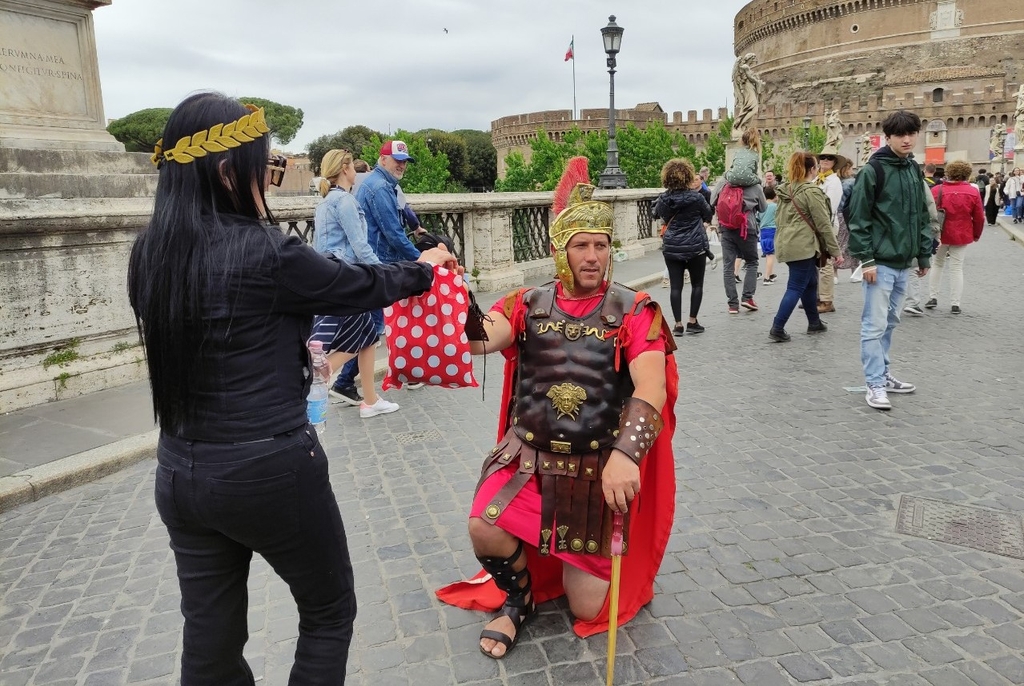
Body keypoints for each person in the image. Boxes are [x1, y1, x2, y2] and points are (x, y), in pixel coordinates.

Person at [127, 92, 458, 684]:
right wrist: (426, 269)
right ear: (229, 172)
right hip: (269, 467)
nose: (269, 178)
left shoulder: (149, 253)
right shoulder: (265, 253)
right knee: (329, 612)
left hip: (179, 469)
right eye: (264, 164)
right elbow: (357, 282)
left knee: (210, 635)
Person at [436, 156, 677, 659]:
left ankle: (565, 567)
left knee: (587, 608)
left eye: (602, 245)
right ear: (559, 251)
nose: (593, 255)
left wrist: (626, 454)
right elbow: (482, 340)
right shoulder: (525, 303)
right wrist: (451, 292)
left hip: (594, 466)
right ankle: (516, 601)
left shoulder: (636, 311)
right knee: (483, 524)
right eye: (581, 245)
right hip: (527, 453)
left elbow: (651, 386)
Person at [847, 110, 931, 411]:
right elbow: (858, 218)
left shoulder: (912, 169)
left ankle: (882, 373)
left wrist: (923, 254)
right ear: (889, 137)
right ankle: (874, 383)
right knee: (874, 324)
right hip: (880, 262)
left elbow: (921, 215)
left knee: (891, 321)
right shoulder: (873, 171)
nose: (907, 139)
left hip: (903, 261)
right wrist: (866, 260)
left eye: (911, 133)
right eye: (900, 135)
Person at [333, 140, 425, 400]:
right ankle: (341, 379)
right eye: (397, 159)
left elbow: (401, 218)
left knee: (380, 322)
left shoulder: (384, 185)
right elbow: (393, 234)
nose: (402, 164)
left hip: (380, 262)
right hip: (380, 263)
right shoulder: (379, 188)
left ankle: (346, 382)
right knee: (374, 324)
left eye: (405, 160)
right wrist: (422, 259)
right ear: (382, 159)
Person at [311, 149, 399, 418]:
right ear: (346, 169)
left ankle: (370, 401)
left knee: (369, 338)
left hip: (333, 278)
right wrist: (385, 272)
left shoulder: (325, 203)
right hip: (348, 279)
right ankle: (314, 382)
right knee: (353, 341)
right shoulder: (345, 202)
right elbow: (360, 245)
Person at [768, 152, 839, 342]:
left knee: (811, 283)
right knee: (796, 286)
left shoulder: (785, 190)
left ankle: (814, 322)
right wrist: (835, 250)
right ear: (812, 169)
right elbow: (823, 223)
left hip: (787, 242)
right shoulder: (811, 191)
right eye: (816, 166)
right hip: (803, 245)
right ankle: (777, 327)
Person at [655, 158, 713, 335]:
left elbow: (657, 215)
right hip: (695, 246)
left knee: (675, 286)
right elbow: (708, 214)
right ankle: (692, 321)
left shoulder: (663, 199)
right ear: (688, 176)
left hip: (672, 246)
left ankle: (678, 324)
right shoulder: (696, 197)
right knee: (697, 285)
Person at [926, 160, 985, 314]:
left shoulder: (937, 189)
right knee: (956, 267)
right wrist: (976, 234)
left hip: (939, 232)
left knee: (937, 264)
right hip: (962, 232)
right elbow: (979, 217)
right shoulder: (973, 192)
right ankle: (955, 303)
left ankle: (933, 297)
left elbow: (929, 212)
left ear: (949, 173)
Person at [711, 172, 768, 313]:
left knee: (728, 266)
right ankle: (747, 298)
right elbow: (763, 208)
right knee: (752, 262)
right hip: (747, 228)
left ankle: (732, 304)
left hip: (726, 228)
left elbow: (712, 200)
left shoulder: (724, 181)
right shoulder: (755, 185)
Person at [815, 147, 847, 313]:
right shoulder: (817, 180)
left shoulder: (833, 182)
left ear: (834, 162)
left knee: (825, 263)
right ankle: (817, 296)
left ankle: (826, 300)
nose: (825, 160)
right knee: (816, 263)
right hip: (815, 226)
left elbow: (830, 208)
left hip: (826, 225)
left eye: (829, 158)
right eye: (823, 157)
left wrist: (821, 226)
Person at [833, 157, 860, 281]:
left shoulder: (833, 181)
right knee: (851, 243)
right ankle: (854, 272)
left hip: (835, 215)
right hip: (848, 215)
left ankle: (834, 273)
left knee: (837, 244)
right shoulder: (851, 182)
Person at [759, 185, 778, 284]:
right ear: (774, 195)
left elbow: (757, 218)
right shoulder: (775, 207)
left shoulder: (761, 207)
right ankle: (767, 277)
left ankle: (770, 273)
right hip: (772, 230)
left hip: (763, 231)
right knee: (771, 254)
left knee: (767, 254)